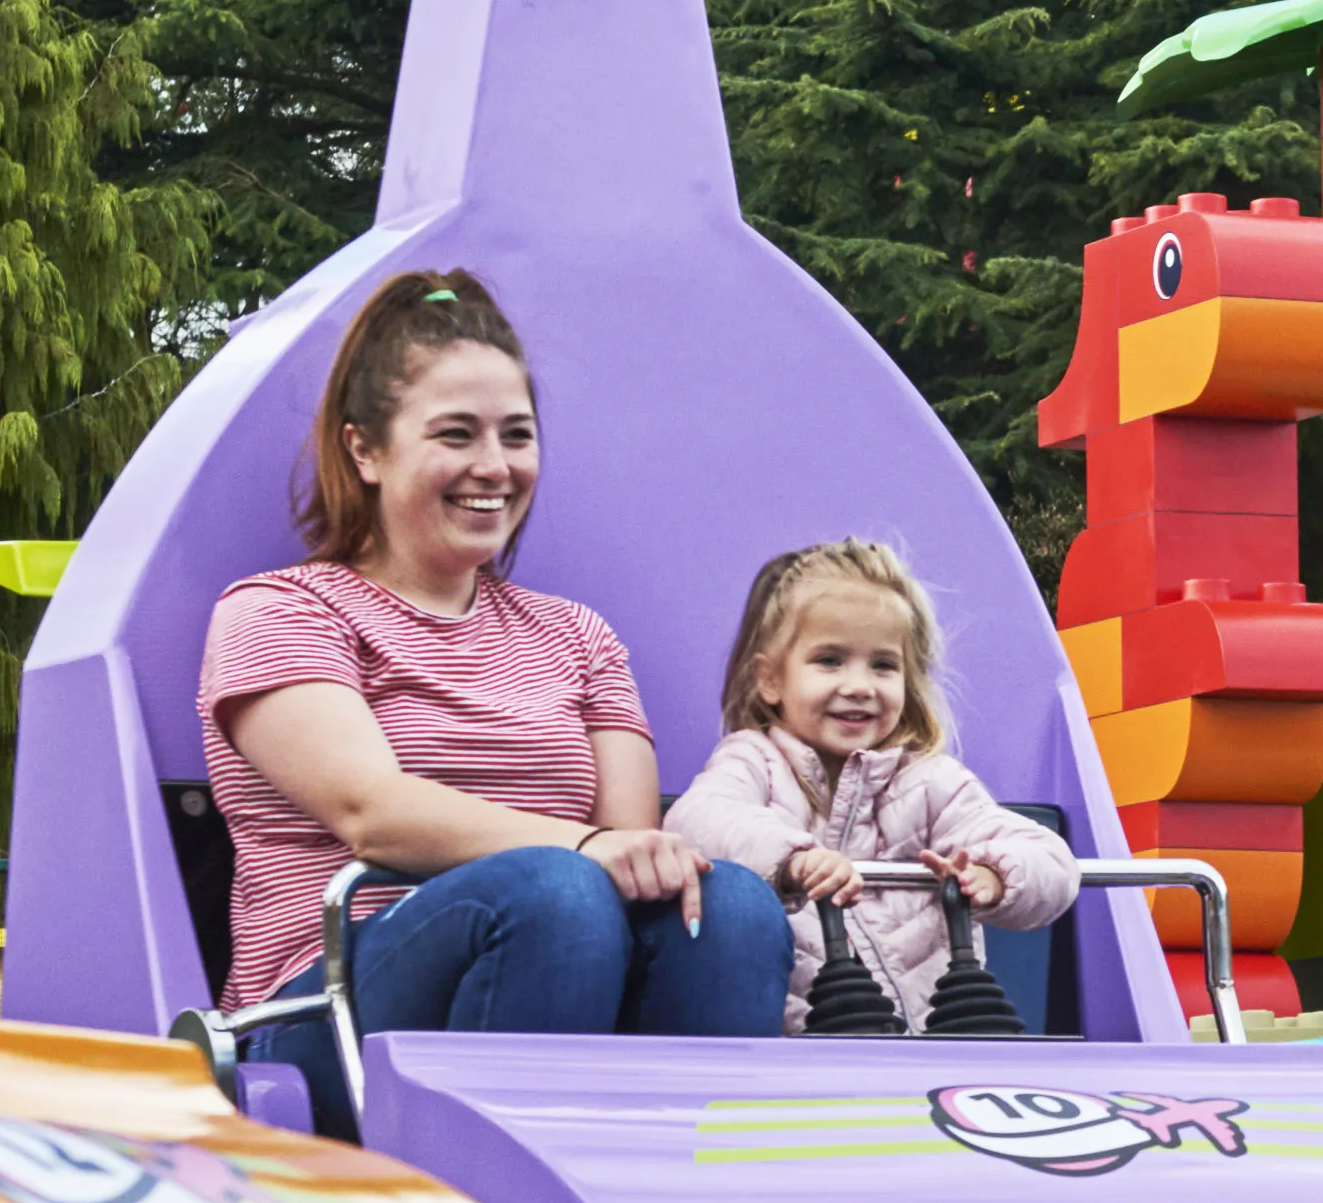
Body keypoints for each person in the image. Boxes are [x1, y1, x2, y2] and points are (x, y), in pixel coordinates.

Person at [199, 263, 781, 1038]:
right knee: (555, 891)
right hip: (327, 1008)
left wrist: (617, 857)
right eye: (454, 434)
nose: (493, 467)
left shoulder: (579, 637)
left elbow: (635, 858)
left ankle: (674, 1146)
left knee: (730, 907)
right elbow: (371, 813)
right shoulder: (282, 612)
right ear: (366, 451)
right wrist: (580, 849)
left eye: (516, 435)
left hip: (569, 964)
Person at [660, 539, 1079, 1038]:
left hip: (930, 1050)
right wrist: (793, 859)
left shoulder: (928, 782)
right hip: (809, 1047)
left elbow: (1050, 859)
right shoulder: (756, 762)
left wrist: (994, 874)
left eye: (883, 665)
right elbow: (698, 819)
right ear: (770, 679)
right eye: (830, 660)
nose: (859, 685)